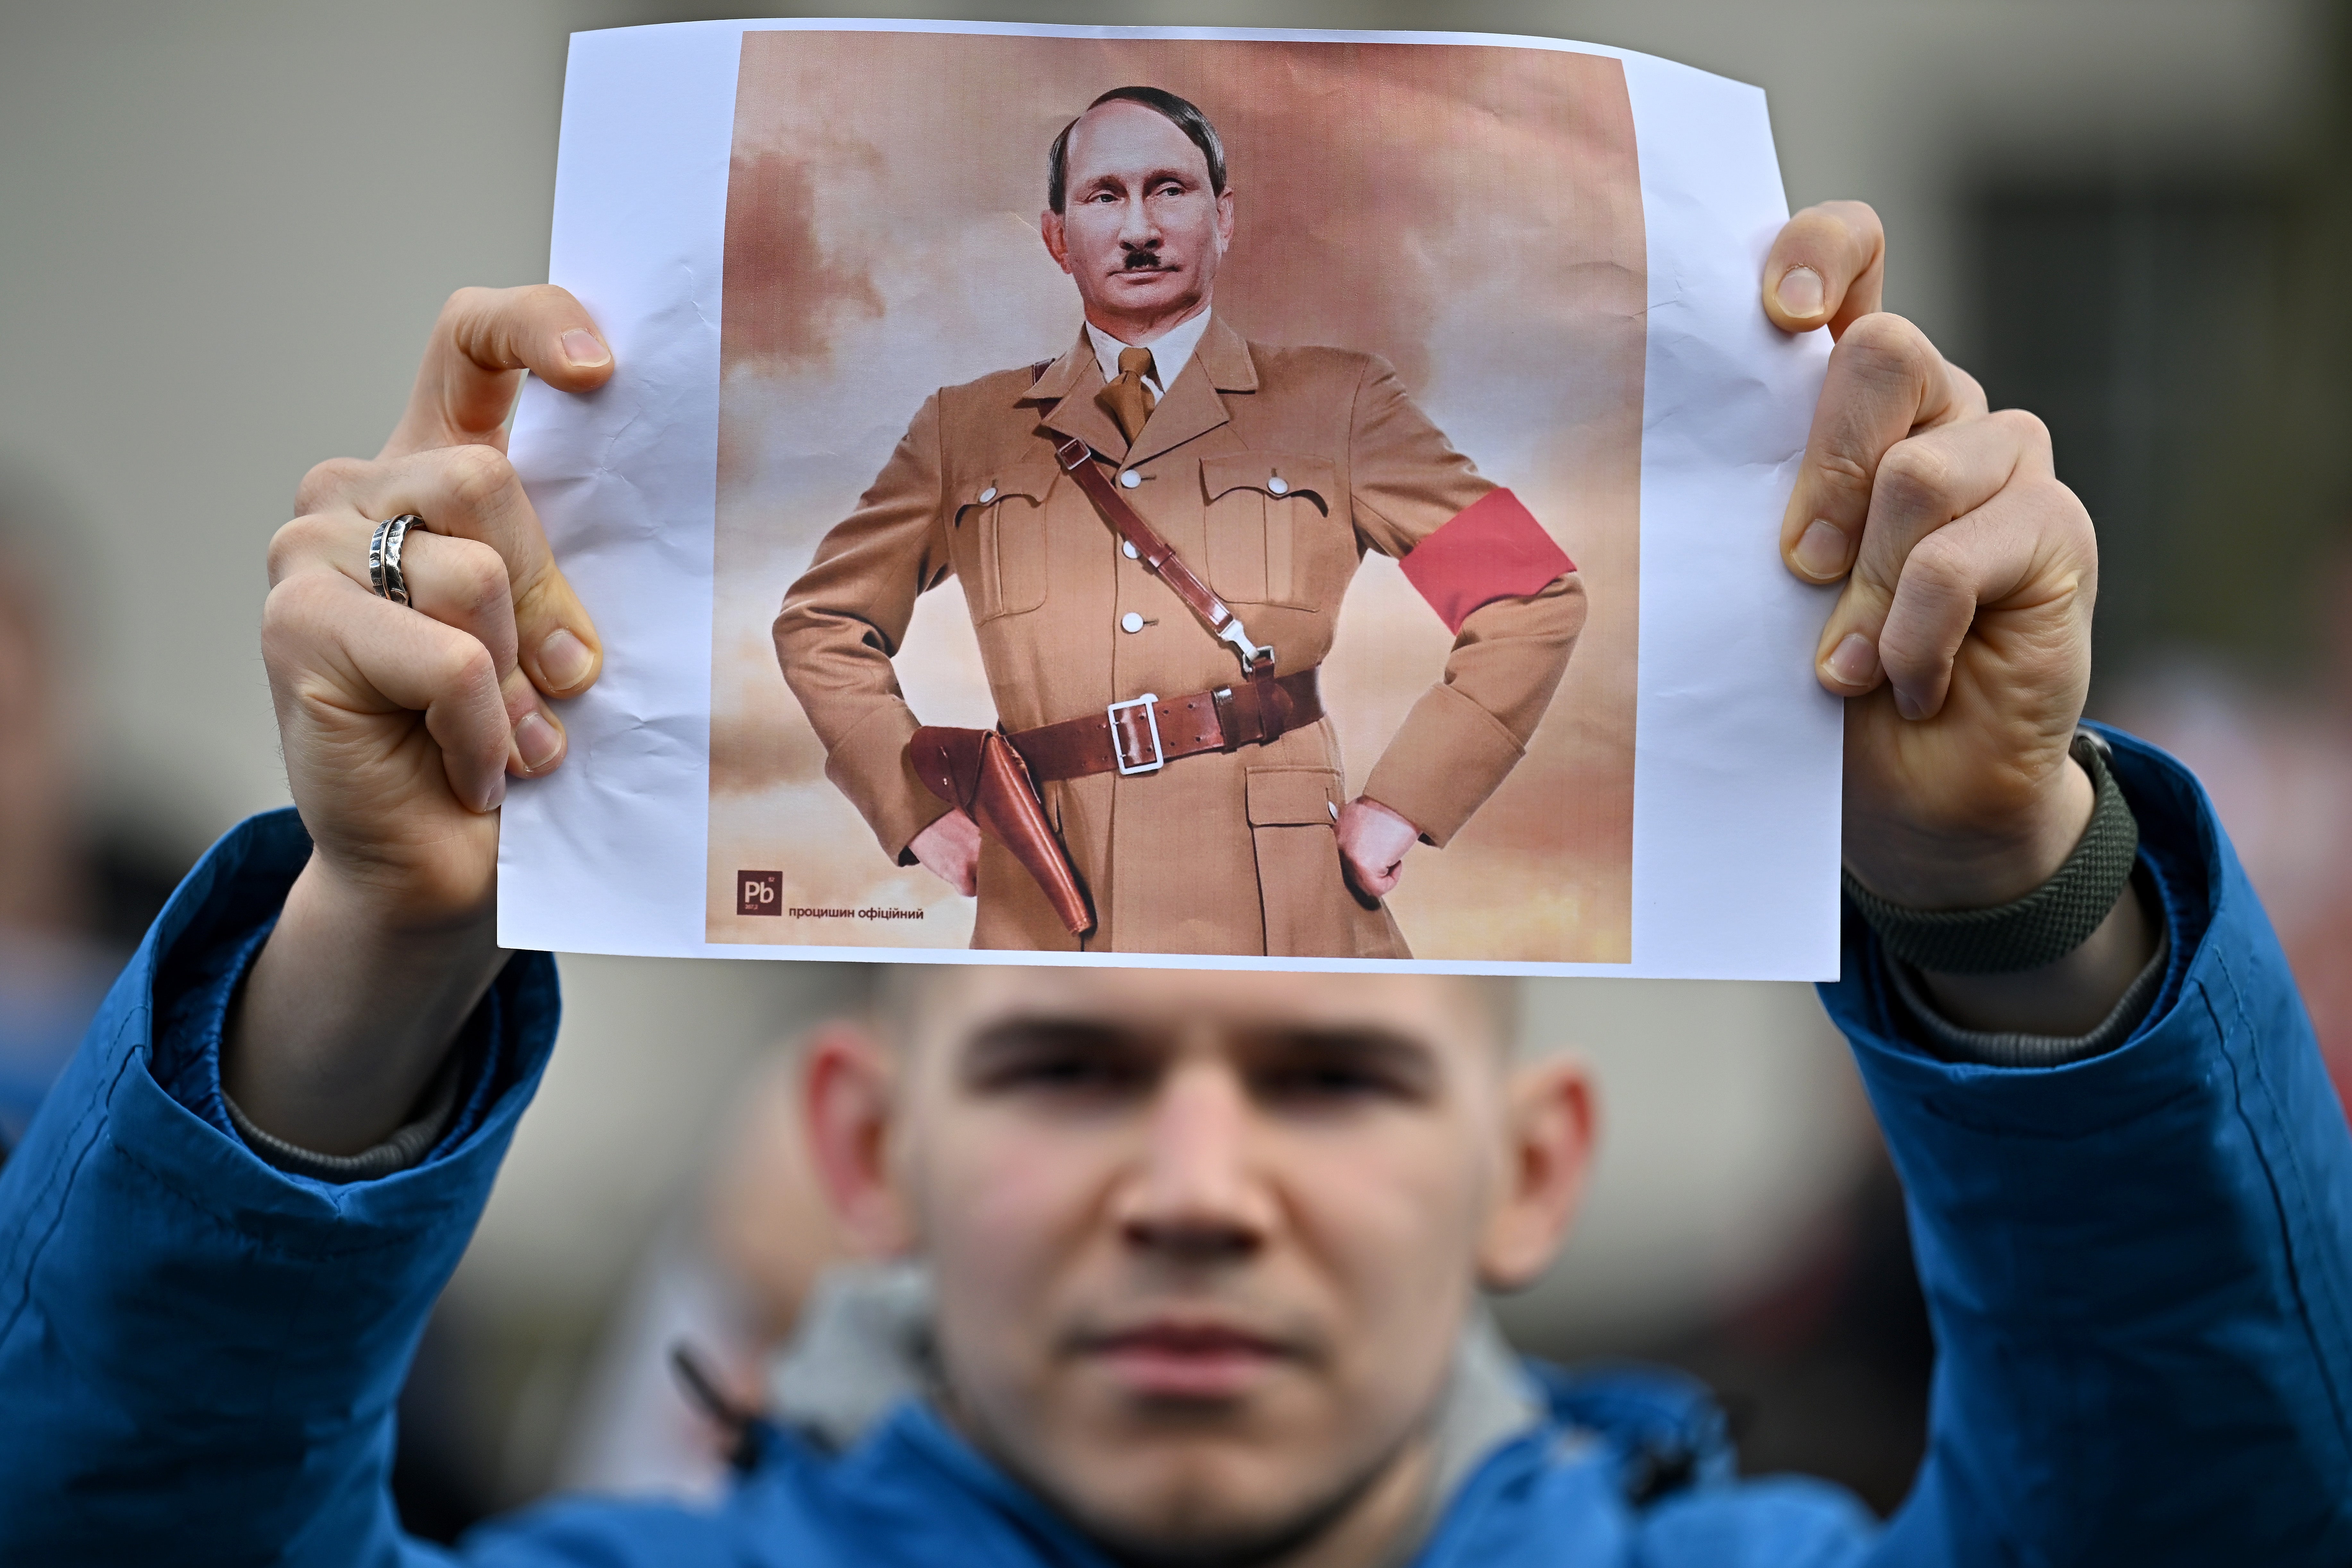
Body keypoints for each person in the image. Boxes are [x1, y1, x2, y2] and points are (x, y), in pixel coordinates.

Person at [1, 200, 2348, 1566]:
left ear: (1531, 1165)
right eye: (1055, 1065)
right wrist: (394, 928)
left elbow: (1523, 592)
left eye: (1332, 1078)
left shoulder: (1344, 410)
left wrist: (1996, 890)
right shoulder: (947, 426)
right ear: (860, 1145)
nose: (1195, 1190)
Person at [773, 87, 1585, 957]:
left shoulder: (1339, 403)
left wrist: (1405, 801)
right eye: (1104, 196)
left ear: (1223, 217)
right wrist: (915, 806)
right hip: (1054, 901)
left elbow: (1527, 590)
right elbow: (823, 622)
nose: (1139, 228)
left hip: (1285, 904)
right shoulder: (965, 429)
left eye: (1170, 189)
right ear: (1057, 237)